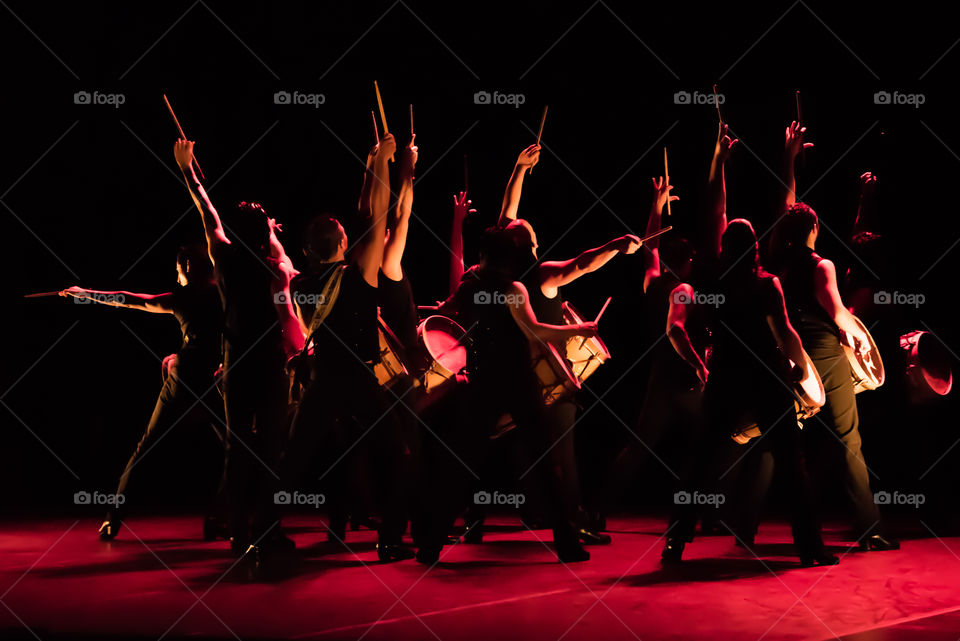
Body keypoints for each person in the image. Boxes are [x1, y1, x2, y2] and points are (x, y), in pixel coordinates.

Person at [418, 223, 600, 564]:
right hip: (517, 383)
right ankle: (568, 545)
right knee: (545, 465)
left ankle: (429, 546)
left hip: (482, 383)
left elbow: (445, 312)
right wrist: (579, 329)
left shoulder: (469, 285)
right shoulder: (513, 288)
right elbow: (535, 331)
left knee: (460, 466)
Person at [272, 133, 416, 562]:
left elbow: (368, 216)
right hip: (357, 378)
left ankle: (259, 531)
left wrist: (374, 162)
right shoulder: (357, 277)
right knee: (397, 456)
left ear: (307, 251)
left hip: (321, 379)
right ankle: (389, 541)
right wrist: (389, 164)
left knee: (293, 461)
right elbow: (378, 218)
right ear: (341, 244)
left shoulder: (298, 284)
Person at [661, 219, 838, 567]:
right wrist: (802, 368)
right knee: (791, 465)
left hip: (726, 376)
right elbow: (784, 332)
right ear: (756, 248)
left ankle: (675, 543)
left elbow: (674, 330)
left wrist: (699, 365)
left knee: (699, 463)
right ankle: (811, 548)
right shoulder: (766, 284)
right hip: (767, 377)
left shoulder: (711, 283)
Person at [492, 143, 642, 545]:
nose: (520, 222)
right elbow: (582, 264)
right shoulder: (540, 273)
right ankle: (573, 521)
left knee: (526, 449)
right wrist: (616, 245)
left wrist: (518, 169)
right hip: (549, 379)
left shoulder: (504, 271)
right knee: (562, 454)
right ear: (531, 245)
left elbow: (506, 215)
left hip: (517, 375)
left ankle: (535, 512)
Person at [766, 122, 899, 551]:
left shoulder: (775, 256)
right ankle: (869, 528)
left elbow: (785, 207)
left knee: (781, 436)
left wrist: (787, 160)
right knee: (849, 437)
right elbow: (838, 312)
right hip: (823, 350)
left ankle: (741, 522)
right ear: (816, 230)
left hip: (786, 350)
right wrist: (858, 339)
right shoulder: (822, 264)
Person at [173, 139, 292, 556]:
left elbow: (207, 212)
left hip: (236, 361)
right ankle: (268, 530)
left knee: (237, 448)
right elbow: (288, 276)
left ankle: (239, 532)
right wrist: (274, 237)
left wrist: (187, 170)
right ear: (266, 232)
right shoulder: (276, 269)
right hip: (269, 363)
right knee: (272, 450)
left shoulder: (223, 256)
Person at [60, 244, 223, 541]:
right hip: (208, 377)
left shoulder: (185, 296)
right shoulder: (225, 294)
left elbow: (133, 301)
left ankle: (112, 518)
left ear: (187, 265)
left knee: (146, 447)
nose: (177, 279)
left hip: (184, 376)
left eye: (178, 272)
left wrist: (86, 293)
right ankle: (219, 519)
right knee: (237, 448)